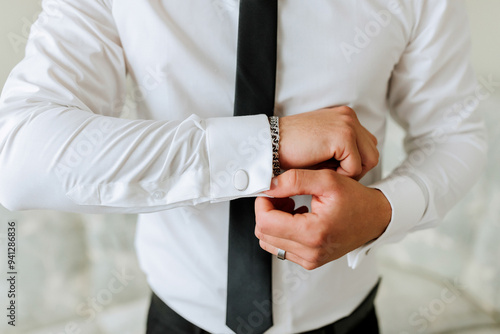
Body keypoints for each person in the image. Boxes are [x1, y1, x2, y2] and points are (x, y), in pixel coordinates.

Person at [0, 0, 487, 333]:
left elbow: (453, 133)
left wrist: (383, 211)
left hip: (346, 320)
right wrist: (269, 143)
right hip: (177, 320)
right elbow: (20, 155)